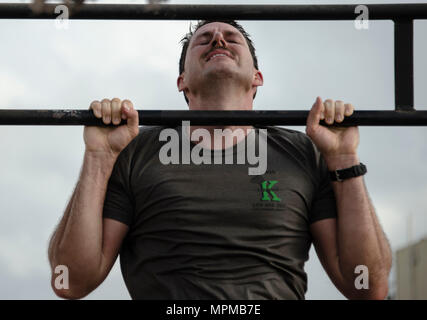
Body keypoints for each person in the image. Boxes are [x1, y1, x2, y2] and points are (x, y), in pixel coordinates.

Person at [48, 20, 392, 299]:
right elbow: (71, 282)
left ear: (257, 77)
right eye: (204, 40)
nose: (218, 40)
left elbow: (366, 287)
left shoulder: (304, 151)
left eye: (231, 37)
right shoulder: (135, 151)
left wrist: (345, 157)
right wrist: (98, 157)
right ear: (182, 82)